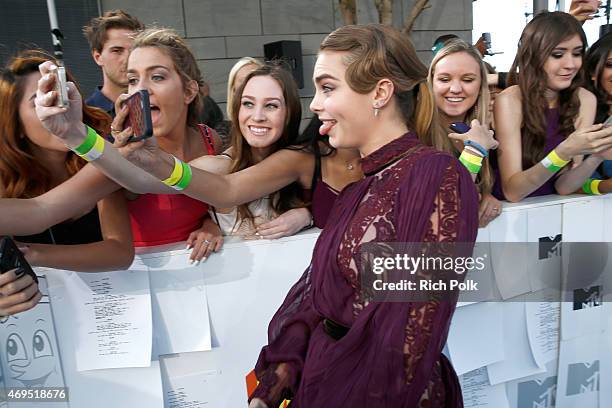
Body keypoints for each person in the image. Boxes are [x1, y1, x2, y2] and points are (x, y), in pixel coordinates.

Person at [35, 24, 482, 407]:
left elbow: (409, 343)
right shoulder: (363, 186)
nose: (315, 105)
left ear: (381, 92)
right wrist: (277, 381)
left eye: (328, 88)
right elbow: (315, 303)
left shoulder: (435, 177)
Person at [0, 28, 222, 263]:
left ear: (189, 91)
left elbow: (219, 192)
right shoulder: (118, 154)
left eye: (157, 76)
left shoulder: (210, 139)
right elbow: (40, 210)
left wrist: (213, 223)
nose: (142, 90)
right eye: (133, 80)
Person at [0, 51, 133, 273]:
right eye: (41, 101)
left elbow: (119, 252)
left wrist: (27, 253)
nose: (59, 108)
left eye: (62, 95)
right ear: (15, 123)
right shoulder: (5, 173)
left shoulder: (101, 158)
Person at [494, 11, 612, 202]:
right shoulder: (510, 100)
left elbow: (564, 187)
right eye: (557, 55)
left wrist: (597, 156)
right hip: (509, 215)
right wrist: (563, 152)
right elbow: (513, 191)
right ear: (533, 56)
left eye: (577, 53)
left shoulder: (585, 99)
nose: (571, 64)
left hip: (556, 213)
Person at [427, 39, 501, 227]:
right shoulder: (412, 133)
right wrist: (474, 152)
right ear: (431, 82)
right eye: (444, 79)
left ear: (481, 85)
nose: (455, 89)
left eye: (468, 80)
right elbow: (443, 206)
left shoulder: (485, 132)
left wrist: (486, 196)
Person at [83, 9, 144, 116]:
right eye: (117, 51)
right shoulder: (85, 117)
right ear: (98, 57)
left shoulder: (153, 108)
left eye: (134, 50)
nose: (128, 59)